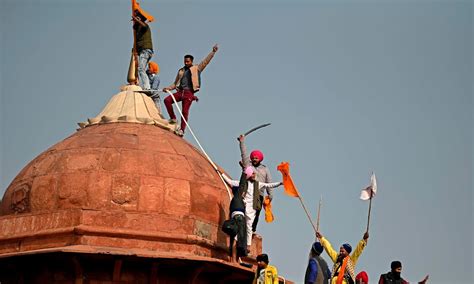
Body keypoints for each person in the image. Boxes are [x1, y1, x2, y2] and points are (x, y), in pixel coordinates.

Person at [163, 44, 219, 136]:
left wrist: (213, 52)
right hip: (180, 92)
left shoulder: (196, 68)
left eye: (187, 61)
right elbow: (175, 83)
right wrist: (168, 88)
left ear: (191, 61)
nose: (186, 63)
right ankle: (173, 118)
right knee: (167, 100)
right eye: (185, 61)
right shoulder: (181, 71)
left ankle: (182, 130)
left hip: (188, 93)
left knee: (184, 112)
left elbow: (206, 62)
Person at [221, 167, 282, 251]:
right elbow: (230, 182)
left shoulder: (258, 184)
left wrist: (280, 183)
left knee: (249, 226)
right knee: (240, 224)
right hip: (243, 206)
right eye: (252, 173)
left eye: (254, 173)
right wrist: (221, 174)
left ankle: (248, 245)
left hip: (252, 208)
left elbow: (269, 185)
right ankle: (236, 242)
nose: (254, 175)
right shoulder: (242, 184)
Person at [238, 134, 272, 232]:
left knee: (256, 213)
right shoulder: (249, 165)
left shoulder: (265, 169)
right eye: (253, 158)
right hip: (247, 191)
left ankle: (252, 230)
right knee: (244, 210)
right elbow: (244, 154)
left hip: (259, 194)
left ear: (260, 159)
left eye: (256, 158)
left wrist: (270, 196)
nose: (254, 159)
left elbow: (269, 183)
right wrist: (242, 142)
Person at [132, 9, 154, 90]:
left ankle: (147, 87)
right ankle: (147, 86)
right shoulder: (138, 29)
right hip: (143, 51)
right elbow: (137, 40)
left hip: (146, 50)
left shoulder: (145, 26)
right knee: (143, 69)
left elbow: (144, 26)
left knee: (141, 69)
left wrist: (137, 20)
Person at [227, 183, 247, 258]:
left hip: (236, 220)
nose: (244, 193)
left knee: (237, 240)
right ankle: (234, 259)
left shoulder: (235, 200)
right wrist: (245, 172)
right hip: (239, 219)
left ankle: (235, 258)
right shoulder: (237, 198)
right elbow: (243, 182)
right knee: (237, 239)